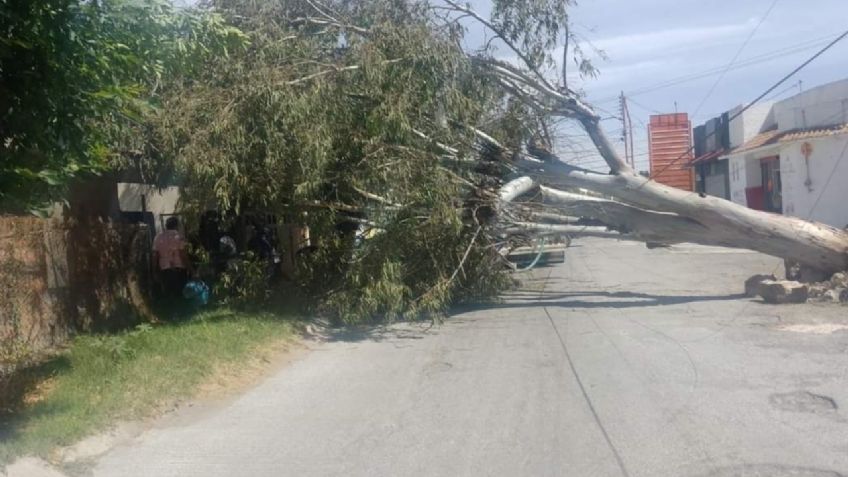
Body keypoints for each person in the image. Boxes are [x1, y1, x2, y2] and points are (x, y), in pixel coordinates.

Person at [153, 217, 190, 300]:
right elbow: (183, 255)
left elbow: (155, 255)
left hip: (164, 268)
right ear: (176, 226)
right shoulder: (179, 237)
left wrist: (154, 270)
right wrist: (190, 268)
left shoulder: (158, 237)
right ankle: (181, 310)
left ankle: (170, 309)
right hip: (179, 268)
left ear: (166, 226)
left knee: (168, 292)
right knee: (180, 292)